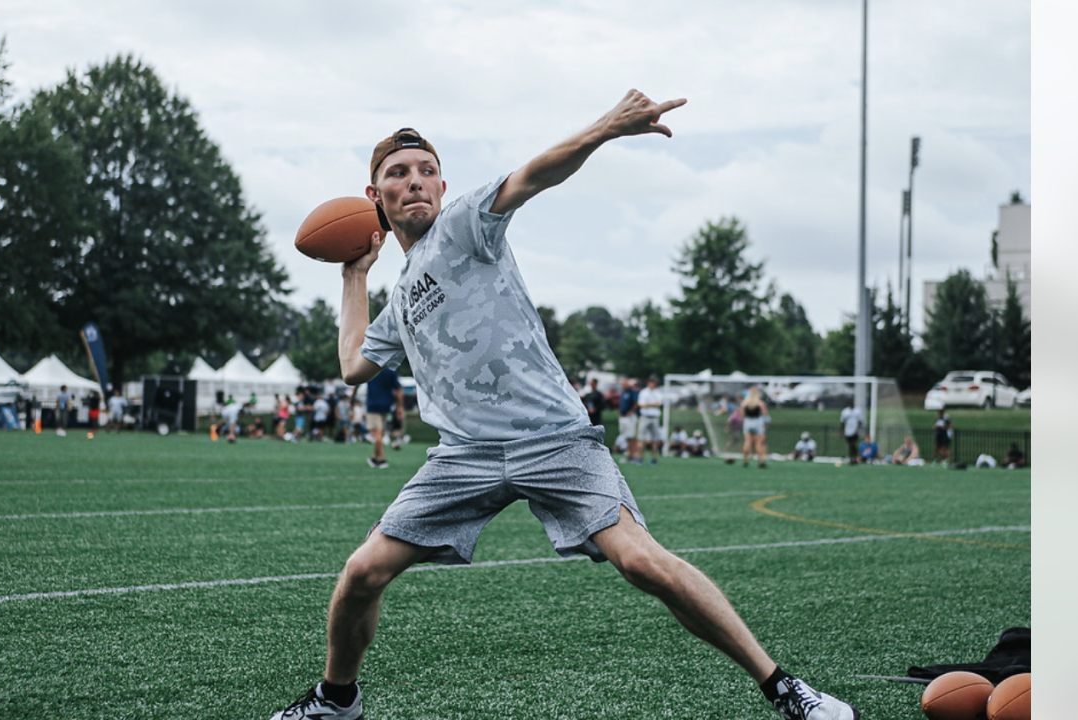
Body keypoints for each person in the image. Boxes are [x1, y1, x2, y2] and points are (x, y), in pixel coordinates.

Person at [267, 91, 856, 720]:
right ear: (374, 196)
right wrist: (353, 275)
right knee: (362, 573)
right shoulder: (405, 293)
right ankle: (337, 702)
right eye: (397, 175)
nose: (415, 182)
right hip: (463, 456)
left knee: (643, 562)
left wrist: (608, 127)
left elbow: (533, 174)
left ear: (443, 184)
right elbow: (354, 365)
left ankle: (785, 688)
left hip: (553, 438)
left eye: (425, 170)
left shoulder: (466, 223)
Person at [364, 367, 403, 468]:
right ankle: (374, 457)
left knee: (377, 434)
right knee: (379, 434)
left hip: (373, 406)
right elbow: (398, 391)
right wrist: (399, 406)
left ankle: (382, 460)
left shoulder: (370, 370)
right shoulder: (391, 371)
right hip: (387, 406)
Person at [636, 375, 665, 465]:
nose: (653, 384)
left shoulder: (658, 392)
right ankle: (640, 457)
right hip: (645, 417)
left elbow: (659, 403)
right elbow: (642, 405)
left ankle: (654, 458)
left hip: (654, 417)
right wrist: (652, 404)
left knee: (655, 439)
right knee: (641, 438)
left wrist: (649, 404)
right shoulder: (644, 392)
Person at [741, 387, 770, 469]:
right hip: (757, 422)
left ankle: (745, 460)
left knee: (747, 441)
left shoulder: (745, 403)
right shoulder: (760, 403)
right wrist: (766, 423)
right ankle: (761, 461)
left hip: (748, 422)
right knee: (758, 443)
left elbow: (743, 414)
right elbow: (764, 414)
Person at [617, 378, 640, 464]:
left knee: (631, 436)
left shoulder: (632, 392)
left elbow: (636, 403)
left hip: (630, 417)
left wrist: (631, 412)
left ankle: (632, 455)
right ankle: (629, 453)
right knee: (626, 436)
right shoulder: (623, 392)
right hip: (623, 417)